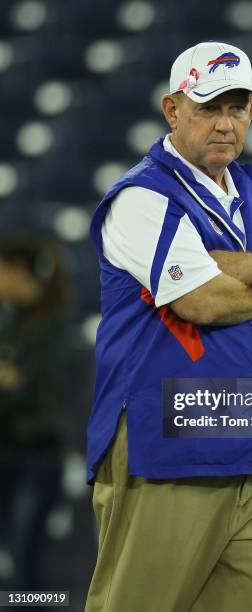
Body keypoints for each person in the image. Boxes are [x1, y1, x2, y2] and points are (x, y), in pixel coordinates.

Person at [85, 41, 252, 612]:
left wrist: (241, 264)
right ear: (173, 111)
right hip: (168, 445)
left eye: (237, 108)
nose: (225, 123)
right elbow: (202, 301)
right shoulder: (143, 197)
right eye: (208, 107)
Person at [0, 234, 75, 594]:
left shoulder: (56, 328)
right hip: (8, 450)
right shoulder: (9, 324)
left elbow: (44, 396)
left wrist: (14, 383)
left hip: (39, 456)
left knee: (25, 558)